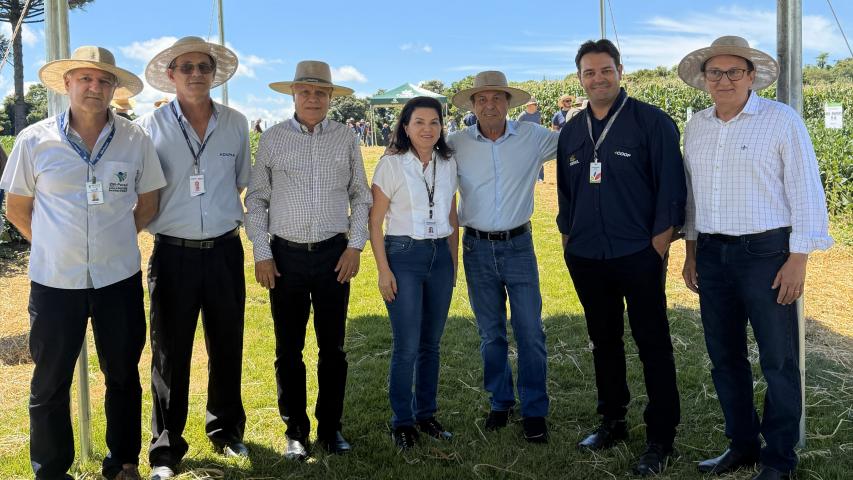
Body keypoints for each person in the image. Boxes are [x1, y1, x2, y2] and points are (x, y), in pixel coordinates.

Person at [0, 46, 165, 480]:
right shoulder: (34, 140)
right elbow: (17, 209)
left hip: (117, 277)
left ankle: (124, 462)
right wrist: (52, 245)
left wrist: (112, 239)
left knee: (123, 375)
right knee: (50, 381)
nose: (95, 87)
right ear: (67, 84)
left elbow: (148, 203)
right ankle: (52, 471)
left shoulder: (135, 140)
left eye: (103, 80)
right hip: (55, 282)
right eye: (85, 79)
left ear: (114, 88)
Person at [678, 36, 834, 480]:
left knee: (778, 360)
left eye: (733, 72)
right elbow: (693, 197)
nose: (723, 80)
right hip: (711, 252)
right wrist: (691, 252)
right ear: (704, 79)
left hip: (766, 254)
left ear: (750, 76)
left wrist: (798, 258)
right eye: (715, 72)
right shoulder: (697, 126)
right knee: (725, 357)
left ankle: (779, 458)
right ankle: (742, 445)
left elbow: (806, 190)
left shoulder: (781, 120)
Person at [556, 39, 685, 476]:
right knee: (603, 340)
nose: (598, 79)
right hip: (588, 255)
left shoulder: (652, 122)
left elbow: (671, 189)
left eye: (605, 70)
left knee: (652, 342)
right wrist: (569, 241)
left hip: (638, 253)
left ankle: (660, 436)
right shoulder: (572, 132)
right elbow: (566, 193)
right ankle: (612, 420)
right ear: (580, 79)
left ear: (620, 71)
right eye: (589, 73)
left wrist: (659, 244)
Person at [136, 36, 250, 480]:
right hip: (173, 253)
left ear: (214, 73)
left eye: (204, 67)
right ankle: (166, 448)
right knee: (169, 352)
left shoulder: (236, 124)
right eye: (186, 68)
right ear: (172, 75)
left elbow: (239, 180)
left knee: (227, 343)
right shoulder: (150, 126)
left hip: (223, 250)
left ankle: (226, 430)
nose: (196, 74)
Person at [245, 60, 371, 461]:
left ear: (331, 97)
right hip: (285, 257)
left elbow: (361, 195)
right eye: (305, 91)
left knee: (333, 349)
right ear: (293, 95)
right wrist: (262, 253)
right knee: (288, 350)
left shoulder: (346, 138)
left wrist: (355, 246)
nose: (312, 98)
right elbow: (257, 200)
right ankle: (296, 431)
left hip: (335, 255)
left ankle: (331, 429)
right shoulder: (273, 139)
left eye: (320, 92)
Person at [448, 70, 558, 443]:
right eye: (482, 99)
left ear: (509, 103)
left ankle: (534, 410)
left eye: (497, 98)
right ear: (473, 105)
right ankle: (500, 401)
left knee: (530, 331)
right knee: (490, 333)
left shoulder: (533, 137)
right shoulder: (455, 144)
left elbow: (579, 143)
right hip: (476, 247)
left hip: (518, 246)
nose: (489, 105)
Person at [368, 96, 459, 450]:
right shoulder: (390, 164)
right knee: (406, 345)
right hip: (403, 255)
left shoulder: (447, 163)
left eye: (434, 122)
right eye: (419, 122)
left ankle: (426, 415)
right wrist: (383, 270)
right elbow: (375, 222)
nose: (427, 129)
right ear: (405, 127)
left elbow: (452, 217)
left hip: (439, 256)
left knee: (431, 345)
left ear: (441, 127)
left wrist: (453, 265)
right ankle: (402, 422)